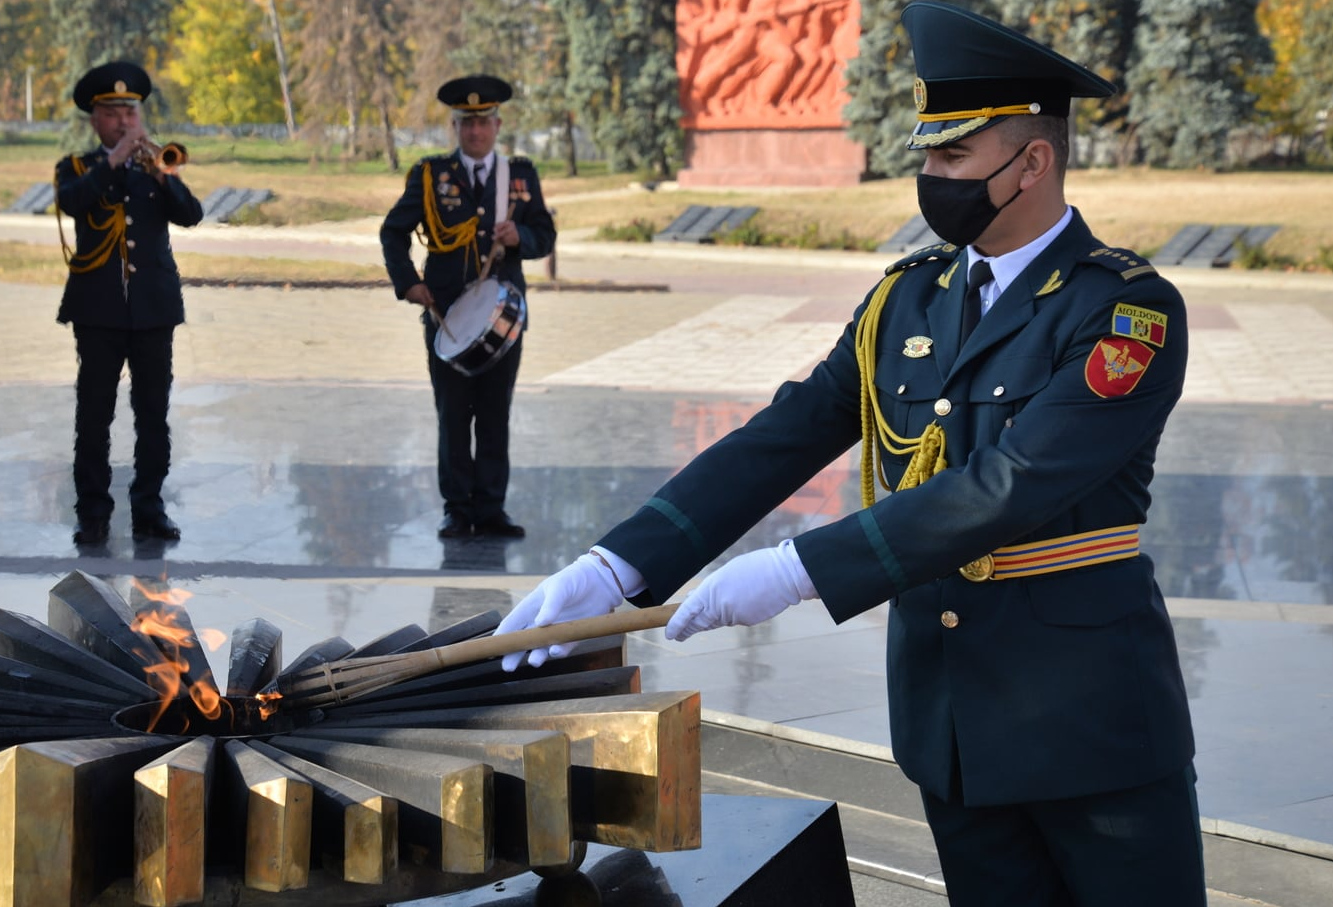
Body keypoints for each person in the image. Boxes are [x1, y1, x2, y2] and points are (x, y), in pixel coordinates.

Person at [496, 3, 1204, 904]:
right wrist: (621, 562)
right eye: (928, 155)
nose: (930, 177)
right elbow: (784, 435)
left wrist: (801, 569)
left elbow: (1014, 483)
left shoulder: (1122, 310)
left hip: (1090, 725)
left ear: (1034, 162)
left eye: (954, 157)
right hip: (949, 722)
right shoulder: (905, 301)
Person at [380, 75, 557, 539]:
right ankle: (457, 508)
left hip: (504, 318)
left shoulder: (519, 175)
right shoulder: (430, 175)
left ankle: (492, 508)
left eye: (483, 122)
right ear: (455, 128)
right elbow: (392, 232)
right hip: (448, 318)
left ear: (497, 125)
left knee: (496, 413)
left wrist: (523, 237)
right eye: (466, 124)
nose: (475, 131)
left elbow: (545, 234)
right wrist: (409, 284)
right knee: (454, 414)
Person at [56, 61, 203, 547]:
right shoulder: (78, 168)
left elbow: (191, 215)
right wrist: (113, 161)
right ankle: (93, 512)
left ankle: (149, 507)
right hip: (98, 311)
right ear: (95, 119)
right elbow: (73, 202)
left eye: (131, 113)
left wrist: (164, 176)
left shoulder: (156, 167)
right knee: (94, 416)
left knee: (153, 415)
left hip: (153, 309)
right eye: (114, 113)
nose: (124, 122)